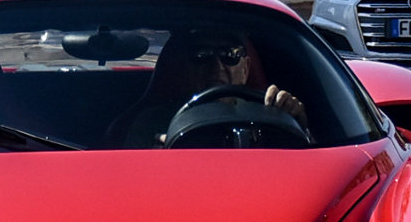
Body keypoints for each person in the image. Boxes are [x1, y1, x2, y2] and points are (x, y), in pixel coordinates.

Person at [107, 26, 305, 148]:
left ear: (245, 69)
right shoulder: (151, 122)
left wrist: (296, 123)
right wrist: (155, 161)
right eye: (202, 55)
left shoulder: (270, 117)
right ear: (182, 68)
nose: (217, 66)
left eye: (230, 55)